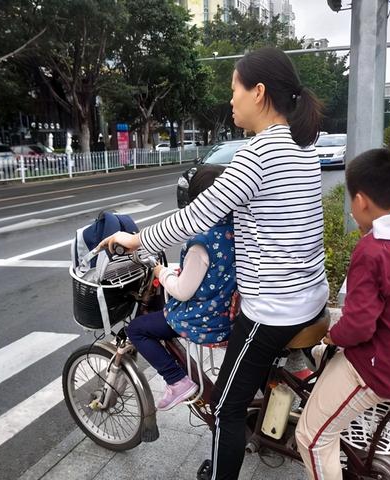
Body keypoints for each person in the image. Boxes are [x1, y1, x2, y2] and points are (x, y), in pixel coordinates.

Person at [101, 46, 327, 479]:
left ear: (258, 93)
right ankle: (264, 424)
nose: (231, 100)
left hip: (275, 309)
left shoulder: (258, 153)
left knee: (225, 404)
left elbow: (196, 217)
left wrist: (135, 240)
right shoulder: (303, 148)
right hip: (310, 296)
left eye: (234, 90)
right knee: (245, 379)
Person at [295, 148, 390, 480]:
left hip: (382, 368)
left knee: (310, 438)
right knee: (323, 359)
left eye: (352, 200)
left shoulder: (374, 247)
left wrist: (332, 334)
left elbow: (359, 326)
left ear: (362, 202)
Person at [126, 165, 236, 411]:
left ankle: (177, 381)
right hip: (229, 313)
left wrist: (161, 272)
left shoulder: (202, 243)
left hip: (205, 319)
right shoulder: (237, 228)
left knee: (137, 329)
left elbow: (183, 292)